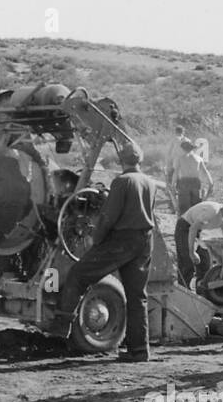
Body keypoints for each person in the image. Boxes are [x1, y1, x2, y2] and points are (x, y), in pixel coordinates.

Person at [57, 142, 159, 363]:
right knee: (137, 297)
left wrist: (97, 241)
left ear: (122, 161)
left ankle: (60, 329)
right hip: (144, 241)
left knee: (78, 274)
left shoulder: (122, 182)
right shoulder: (150, 182)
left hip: (121, 241)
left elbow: (108, 217)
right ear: (139, 161)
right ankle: (139, 351)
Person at [175, 199, 223, 288]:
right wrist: (192, 252)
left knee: (205, 263)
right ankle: (183, 290)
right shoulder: (212, 211)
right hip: (185, 227)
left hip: (199, 231)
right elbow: (193, 229)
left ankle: (202, 291)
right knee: (187, 262)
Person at [172, 137, 214, 214]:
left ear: (183, 149)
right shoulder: (199, 159)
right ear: (192, 149)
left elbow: (176, 172)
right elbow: (205, 171)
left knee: (184, 207)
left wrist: (173, 184)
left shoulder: (180, 158)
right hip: (196, 182)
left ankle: (184, 222)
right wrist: (210, 182)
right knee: (195, 206)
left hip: (184, 182)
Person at [164, 124, 187, 192]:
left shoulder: (174, 139)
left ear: (176, 131)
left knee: (171, 174)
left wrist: (168, 160)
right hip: (185, 160)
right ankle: (179, 189)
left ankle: (169, 189)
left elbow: (169, 151)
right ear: (182, 132)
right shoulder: (186, 139)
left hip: (175, 160)